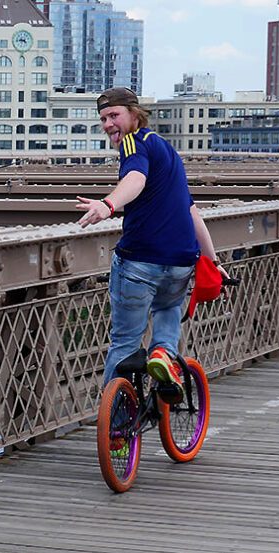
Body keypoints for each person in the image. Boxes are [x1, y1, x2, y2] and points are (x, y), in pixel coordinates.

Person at [76, 87, 228, 386]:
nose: (108, 124)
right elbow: (191, 212)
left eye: (114, 115)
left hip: (140, 260)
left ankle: (116, 424)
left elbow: (135, 178)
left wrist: (108, 205)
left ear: (135, 114)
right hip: (181, 262)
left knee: (124, 343)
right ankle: (163, 359)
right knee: (168, 310)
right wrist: (214, 260)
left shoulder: (133, 142)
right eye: (103, 119)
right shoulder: (168, 150)